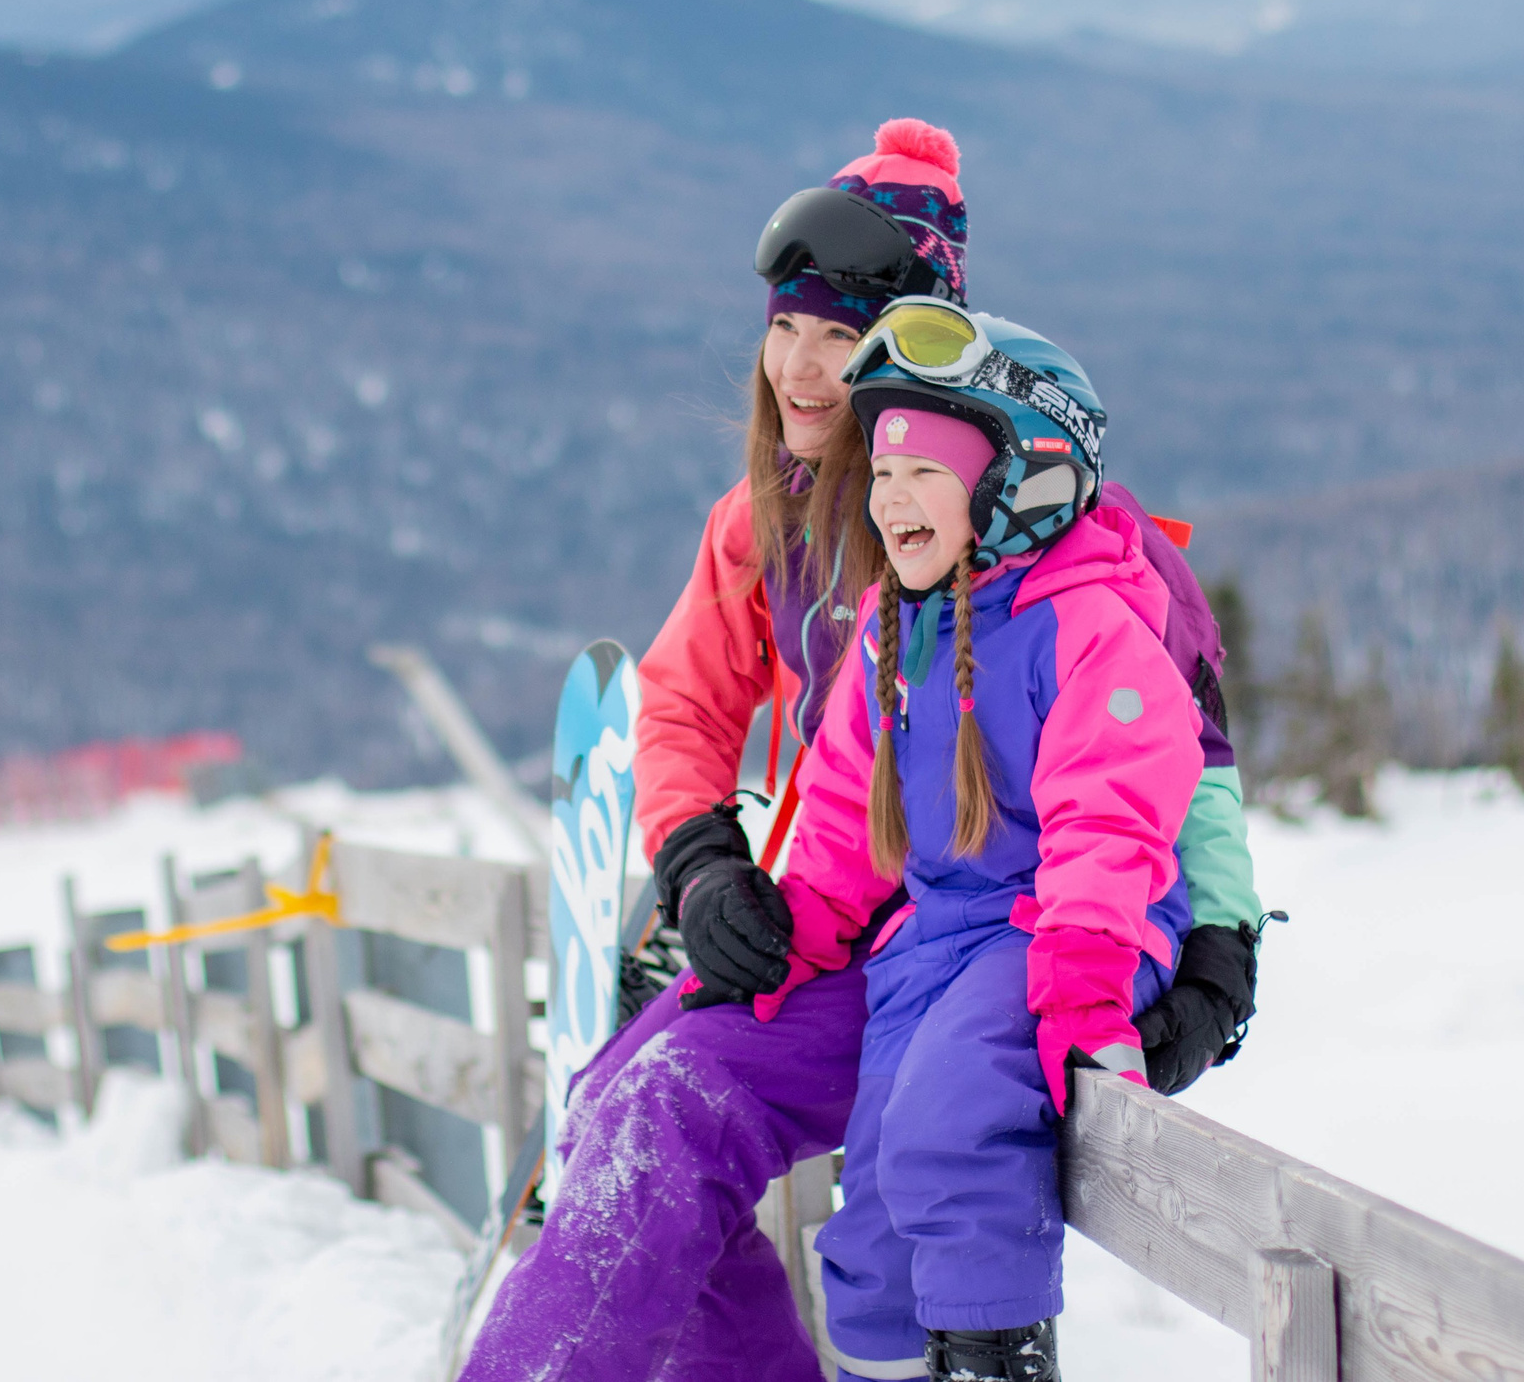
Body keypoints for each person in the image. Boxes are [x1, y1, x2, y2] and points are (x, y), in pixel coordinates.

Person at [457, 123, 1261, 1382]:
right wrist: (700, 862)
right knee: (625, 1103)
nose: (804, 367)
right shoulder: (767, 530)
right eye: (786, 329)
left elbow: (1181, 761)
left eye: (842, 336)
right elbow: (681, 705)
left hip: (1007, 936)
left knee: (769, 1127)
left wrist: (1220, 950)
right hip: (846, 931)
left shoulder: (1065, 545)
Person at [761, 303, 1195, 1381]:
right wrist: (792, 935)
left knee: (949, 1128)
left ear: (1011, 489)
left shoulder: (1088, 625)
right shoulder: (888, 630)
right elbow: (839, 813)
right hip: (934, 939)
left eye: (925, 473)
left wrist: (1087, 974)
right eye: (885, 473)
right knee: (870, 1232)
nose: (890, 497)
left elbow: (1111, 811)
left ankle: (993, 1361)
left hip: (1061, 924)